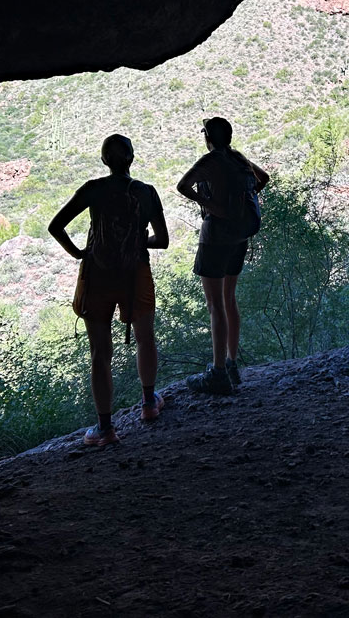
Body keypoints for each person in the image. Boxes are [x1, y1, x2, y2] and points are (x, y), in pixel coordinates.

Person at [49, 134, 169, 445]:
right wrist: (138, 242)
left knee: (100, 353)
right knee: (145, 338)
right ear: (132, 158)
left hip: (98, 276)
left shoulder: (93, 190)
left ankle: (105, 428)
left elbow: (56, 225)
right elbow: (163, 240)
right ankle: (148, 403)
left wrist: (78, 252)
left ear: (104, 160)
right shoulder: (145, 192)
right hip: (135, 274)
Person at [177, 117, 269, 395]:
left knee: (215, 305)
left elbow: (183, 186)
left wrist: (211, 205)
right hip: (239, 237)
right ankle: (231, 364)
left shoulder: (209, 162)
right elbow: (262, 179)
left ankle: (217, 373)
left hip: (215, 238)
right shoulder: (238, 159)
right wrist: (239, 206)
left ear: (208, 138)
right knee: (229, 300)